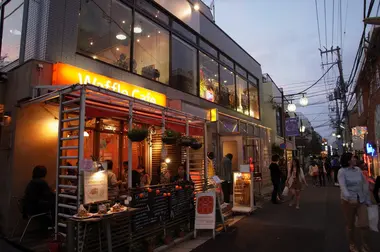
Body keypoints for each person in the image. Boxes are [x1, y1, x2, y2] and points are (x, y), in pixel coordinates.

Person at [338, 152, 372, 252]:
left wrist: (367, 199)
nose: (355, 159)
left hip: (361, 199)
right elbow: (343, 186)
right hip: (348, 201)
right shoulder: (342, 171)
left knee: (364, 224)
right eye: (353, 158)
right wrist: (348, 197)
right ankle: (352, 244)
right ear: (348, 161)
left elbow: (364, 184)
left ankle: (364, 245)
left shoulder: (358, 170)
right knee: (350, 224)